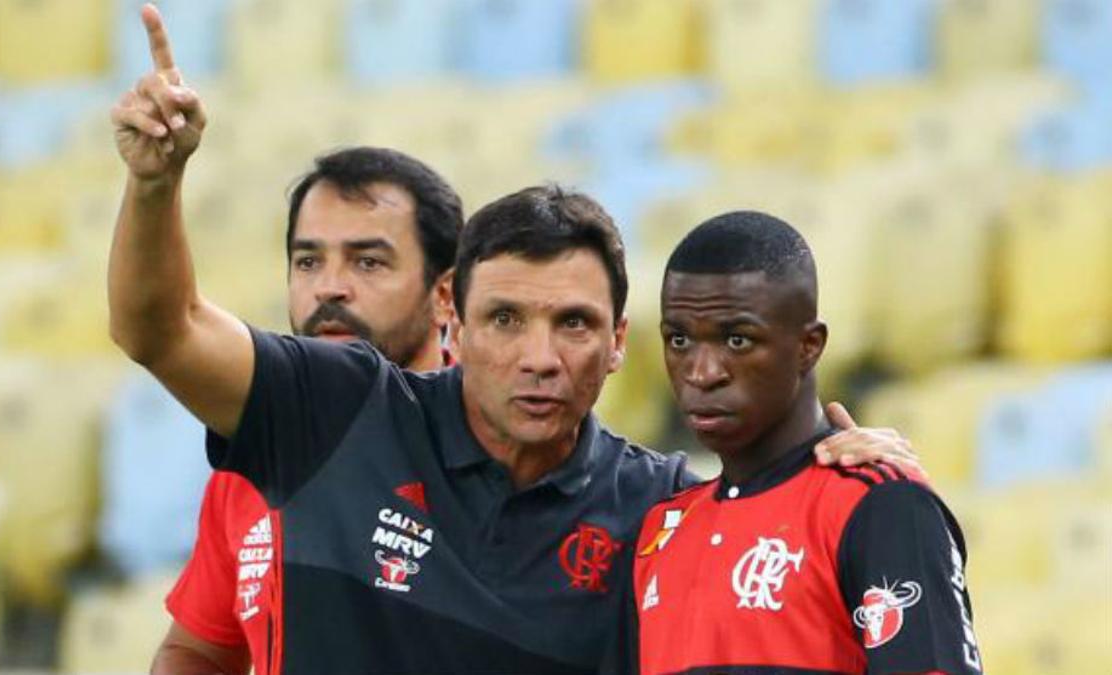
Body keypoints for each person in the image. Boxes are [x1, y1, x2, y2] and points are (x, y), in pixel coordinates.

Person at [109, 6, 923, 673]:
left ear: (617, 343)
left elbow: (807, 583)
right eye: (505, 319)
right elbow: (159, 329)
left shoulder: (661, 513)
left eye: (574, 323)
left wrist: (857, 479)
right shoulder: (338, 409)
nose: (540, 356)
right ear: (452, 321)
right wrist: (156, 183)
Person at [618, 211, 982, 674]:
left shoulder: (880, 507)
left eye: (737, 339)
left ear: (809, 346)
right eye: (680, 340)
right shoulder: (661, 529)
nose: (702, 372)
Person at [152, 146, 463, 675]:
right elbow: (198, 648)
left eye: (368, 262)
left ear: (445, 296)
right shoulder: (257, 456)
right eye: (308, 261)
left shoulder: (496, 440)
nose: (329, 287)